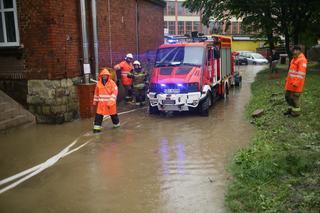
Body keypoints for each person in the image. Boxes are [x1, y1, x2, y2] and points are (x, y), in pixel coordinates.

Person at [93, 68, 120, 133]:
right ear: (101, 75)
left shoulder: (112, 83)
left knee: (113, 115)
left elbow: (115, 92)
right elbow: (96, 93)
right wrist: (95, 101)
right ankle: (96, 128)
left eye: (106, 75)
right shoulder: (98, 84)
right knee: (98, 115)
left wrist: (111, 101)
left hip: (110, 104)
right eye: (103, 75)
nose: (104, 76)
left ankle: (117, 125)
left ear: (108, 75)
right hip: (101, 104)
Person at [284, 46, 308, 117]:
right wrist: (287, 79)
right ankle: (290, 110)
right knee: (287, 97)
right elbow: (291, 71)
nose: (293, 52)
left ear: (299, 51)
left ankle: (296, 113)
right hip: (290, 83)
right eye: (293, 51)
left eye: (295, 50)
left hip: (296, 84)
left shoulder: (302, 60)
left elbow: (301, 73)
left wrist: (296, 83)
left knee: (294, 98)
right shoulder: (293, 59)